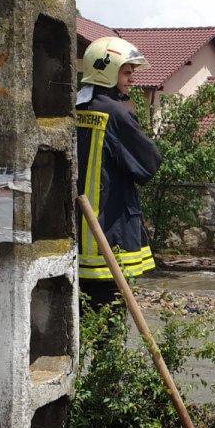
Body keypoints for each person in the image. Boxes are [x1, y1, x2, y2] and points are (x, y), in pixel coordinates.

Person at [76, 36, 162, 307]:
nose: (132, 79)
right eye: (127, 72)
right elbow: (148, 165)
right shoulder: (116, 113)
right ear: (108, 70)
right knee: (109, 325)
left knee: (79, 323)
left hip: (75, 239)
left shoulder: (73, 108)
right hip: (110, 237)